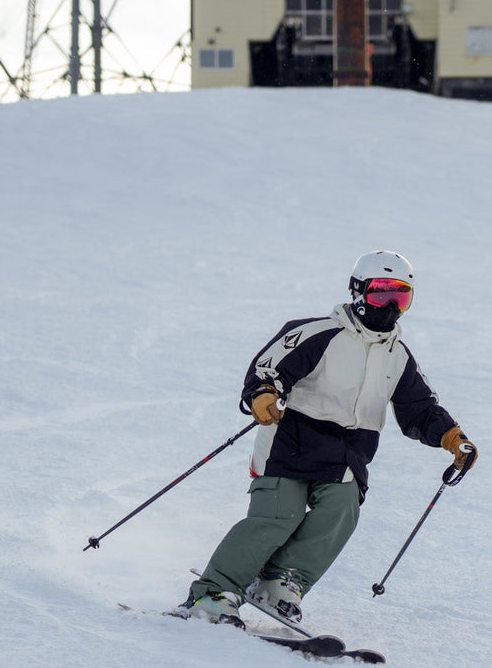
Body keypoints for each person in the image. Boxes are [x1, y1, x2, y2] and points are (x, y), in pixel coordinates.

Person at [177, 250, 476, 629]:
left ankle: (280, 580)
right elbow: (268, 367)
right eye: (380, 294)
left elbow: (420, 409)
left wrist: (453, 439)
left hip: (347, 455)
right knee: (277, 517)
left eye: (400, 296)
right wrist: (264, 394)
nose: (389, 306)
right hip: (291, 442)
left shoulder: (397, 356)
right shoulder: (319, 333)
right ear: (357, 291)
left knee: (342, 510)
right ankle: (212, 592)